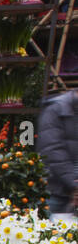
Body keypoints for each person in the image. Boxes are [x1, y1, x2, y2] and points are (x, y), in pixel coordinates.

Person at [39, 89, 78, 222]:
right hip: (56, 191)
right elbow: (53, 150)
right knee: (50, 235)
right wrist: (74, 183)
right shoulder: (55, 110)